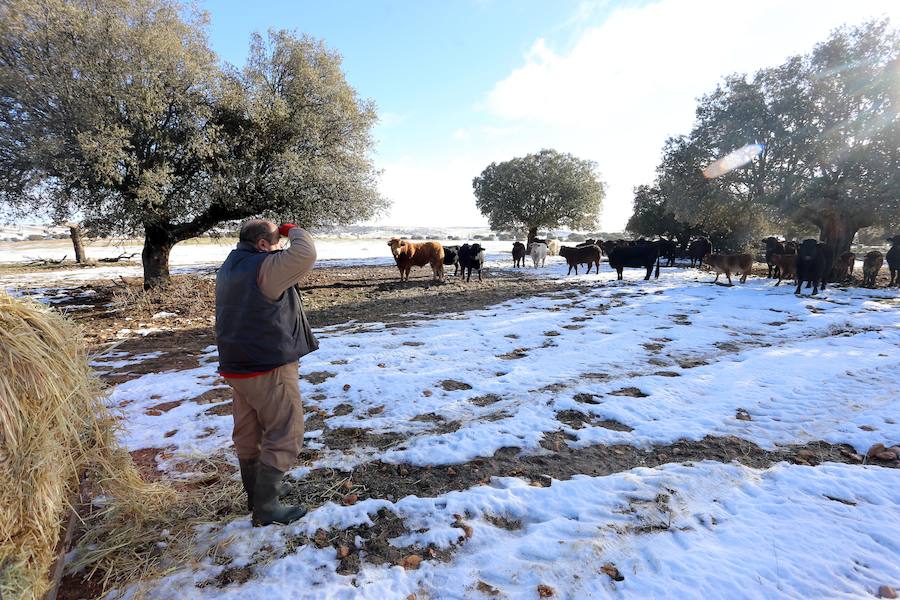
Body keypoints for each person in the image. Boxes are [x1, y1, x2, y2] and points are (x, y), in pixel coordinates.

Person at [215, 219, 318, 526]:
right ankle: (267, 505)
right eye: (276, 241)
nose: (281, 247)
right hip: (268, 363)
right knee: (286, 431)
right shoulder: (265, 267)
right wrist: (291, 228)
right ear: (262, 244)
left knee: (248, 432)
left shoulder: (231, 266)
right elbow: (306, 253)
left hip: (237, 364)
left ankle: (256, 493)